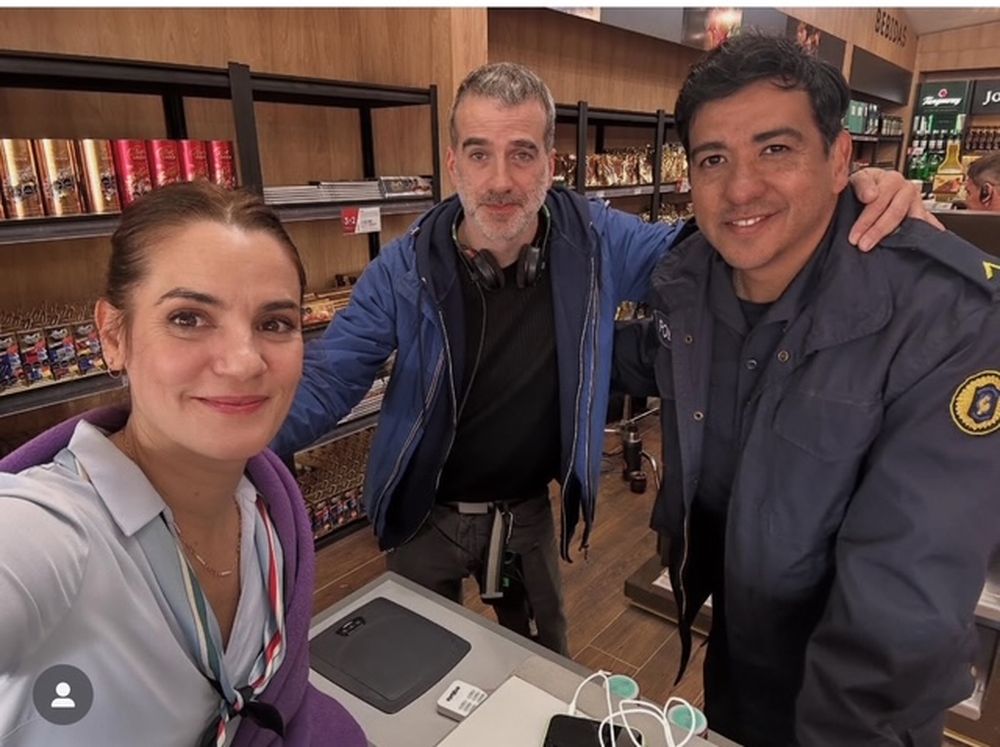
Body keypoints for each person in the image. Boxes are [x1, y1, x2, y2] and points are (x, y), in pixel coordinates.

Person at [272, 61, 936, 656]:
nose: (500, 180)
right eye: (479, 153)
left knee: (541, 664)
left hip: (525, 517)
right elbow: (328, 379)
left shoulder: (597, 240)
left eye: (522, 153)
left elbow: (709, 256)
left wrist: (840, 195)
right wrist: (215, 449)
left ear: (552, 164)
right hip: (422, 514)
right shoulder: (403, 268)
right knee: (412, 664)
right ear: (454, 163)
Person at [612, 34, 1000, 746]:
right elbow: (644, 361)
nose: (740, 188)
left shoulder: (945, 318)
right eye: (713, 159)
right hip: (737, 654)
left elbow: (899, 616)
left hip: (859, 718)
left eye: (776, 149)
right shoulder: (694, 285)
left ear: (842, 158)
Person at [0, 182, 365, 747]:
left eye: (274, 323)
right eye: (189, 318)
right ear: (113, 336)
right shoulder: (50, 528)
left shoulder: (267, 511)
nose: (244, 362)